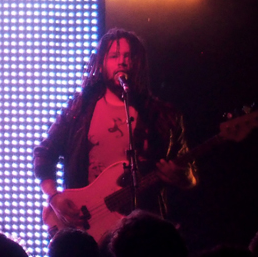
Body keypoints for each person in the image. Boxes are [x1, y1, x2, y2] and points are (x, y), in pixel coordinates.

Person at [34, 28, 194, 227]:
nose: (122, 62)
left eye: (128, 56)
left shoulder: (162, 116)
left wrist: (181, 176)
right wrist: (53, 197)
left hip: (142, 226)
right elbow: (44, 153)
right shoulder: (79, 109)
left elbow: (190, 175)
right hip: (87, 221)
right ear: (101, 64)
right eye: (114, 56)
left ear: (138, 63)